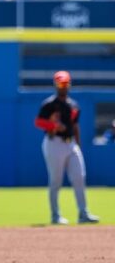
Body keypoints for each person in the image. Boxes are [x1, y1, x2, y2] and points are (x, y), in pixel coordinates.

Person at [34, 71, 99, 225]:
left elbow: (75, 126)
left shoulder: (74, 104)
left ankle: (83, 213)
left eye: (65, 83)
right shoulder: (49, 104)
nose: (63, 86)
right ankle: (55, 215)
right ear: (56, 85)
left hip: (71, 144)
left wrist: (78, 145)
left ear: (69, 84)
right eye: (60, 84)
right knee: (56, 181)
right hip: (53, 142)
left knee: (79, 177)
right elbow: (38, 122)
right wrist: (53, 125)